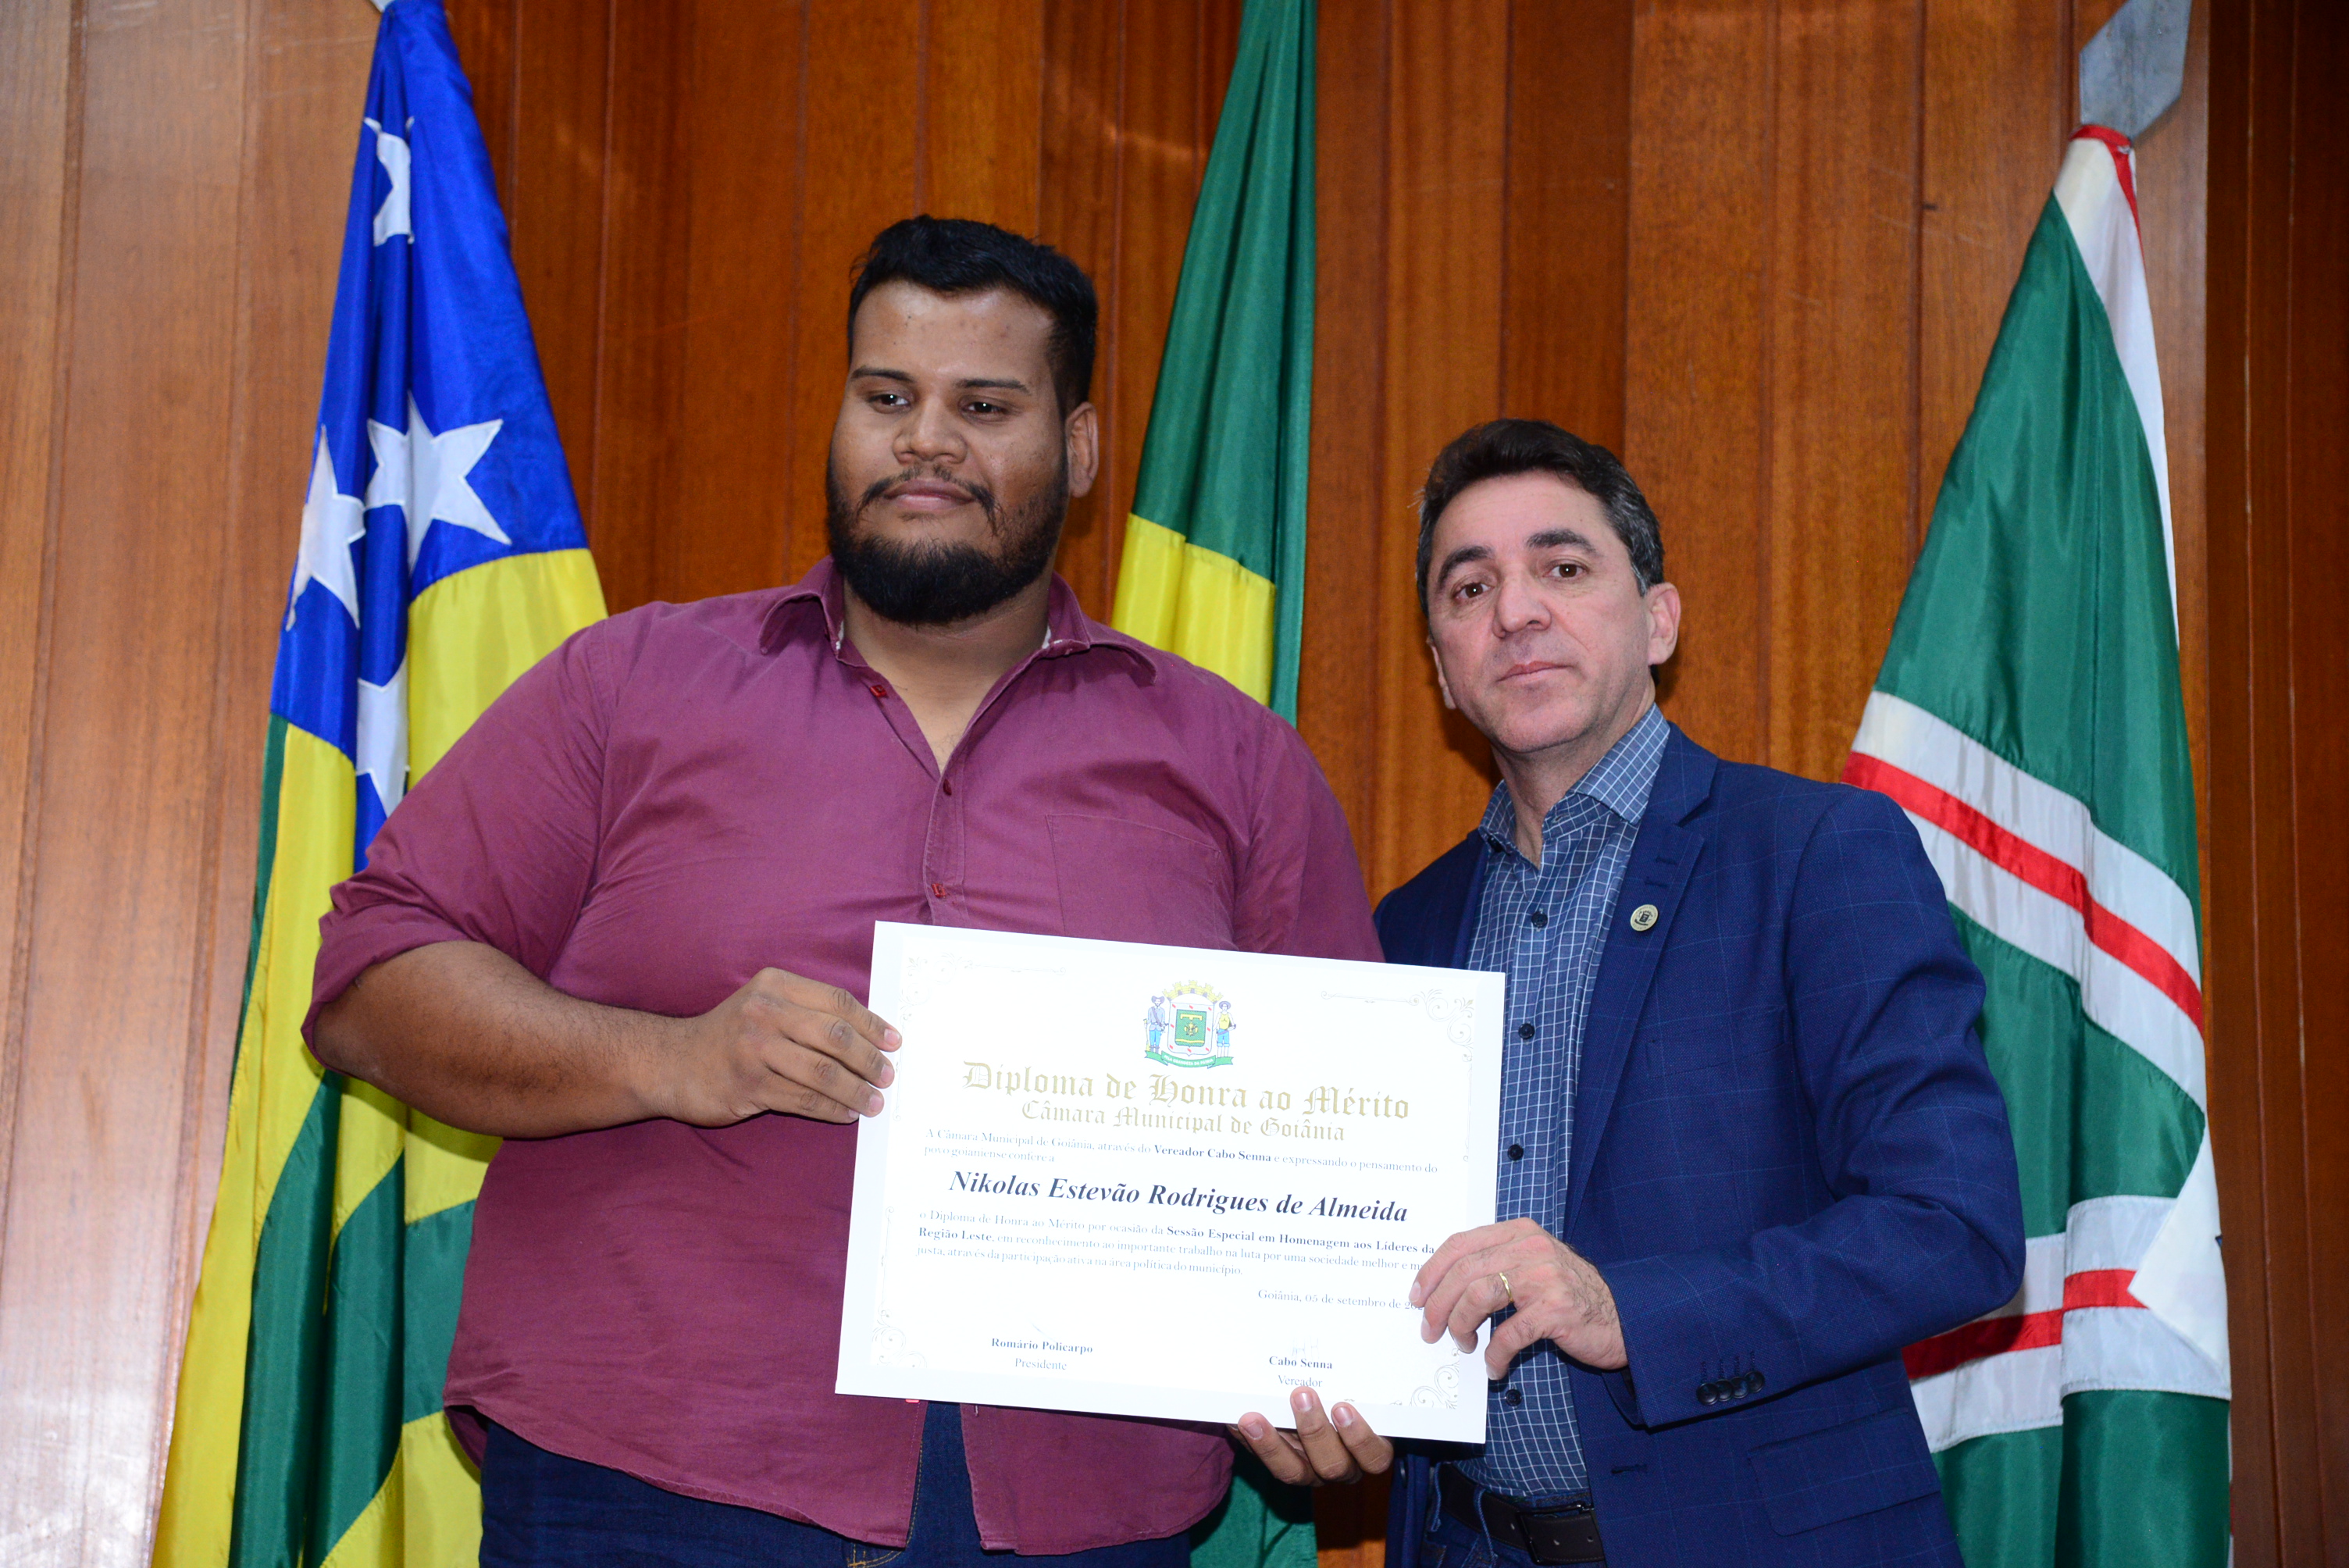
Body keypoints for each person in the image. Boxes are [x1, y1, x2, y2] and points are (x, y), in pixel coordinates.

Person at [306, 216, 1386, 1566]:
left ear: (1080, 449)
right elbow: (369, 979)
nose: (925, 441)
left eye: (983, 406)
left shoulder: (1238, 763)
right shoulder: (631, 686)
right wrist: (672, 1059)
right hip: (647, 1480)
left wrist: (1329, 1364)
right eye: (886, 398)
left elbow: (1339, 1128)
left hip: (1079, 1510)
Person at [1371, 419, 2024, 1566]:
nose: (1515, 611)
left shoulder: (1818, 853)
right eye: (1470, 588)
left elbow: (1954, 1228)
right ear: (1441, 667)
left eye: (1562, 568)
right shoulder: (1402, 931)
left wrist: (1630, 1311)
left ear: (1660, 620)